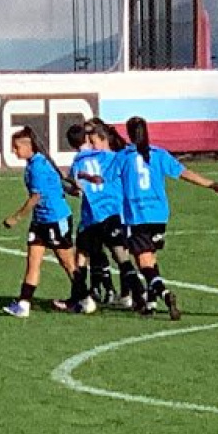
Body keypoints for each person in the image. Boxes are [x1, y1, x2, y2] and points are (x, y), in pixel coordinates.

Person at [104, 116, 218, 320]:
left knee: (143, 263)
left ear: (129, 134)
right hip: (159, 215)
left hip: (137, 216)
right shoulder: (158, 154)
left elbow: (106, 178)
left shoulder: (123, 157)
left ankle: (164, 294)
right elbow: (183, 173)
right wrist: (211, 184)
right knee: (151, 258)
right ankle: (151, 304)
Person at [1, 126, 93, 318]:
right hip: (40, 221)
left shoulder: (38, 167)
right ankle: (24, 303)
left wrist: (16, 217)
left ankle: (86, 299)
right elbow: (58, 184)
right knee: (32, 261)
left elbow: (36, 197)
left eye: (16, 147)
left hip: (55, 219)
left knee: (68, 263)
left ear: (28, 146)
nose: (14, 151)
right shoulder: (36, 163)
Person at [66, 118, 145, 309]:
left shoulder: (80, 161)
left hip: (95, 215)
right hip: (115, 211)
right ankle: (134, 295)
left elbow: (75, 189)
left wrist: (71, 185)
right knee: (120, 256)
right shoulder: (113, 157)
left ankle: (82, 297)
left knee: (83, 255)